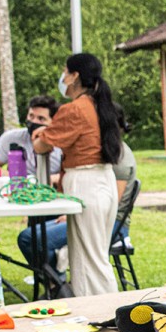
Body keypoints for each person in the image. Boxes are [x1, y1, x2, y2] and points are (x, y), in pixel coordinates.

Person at [33, 52, 125, 297]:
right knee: (92, 259)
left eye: (65, 72)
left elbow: (42, 145)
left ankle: (106, 314)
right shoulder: (100, 104)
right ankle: (98, 314)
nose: (62, 77)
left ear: (74, 76)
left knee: (89, 262)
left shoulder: (74, 109)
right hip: (103, 181)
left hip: (85, 184)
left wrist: (39, 135)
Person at [0, 95, 61, 184]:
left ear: (53, 122)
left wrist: (49, 179)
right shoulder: (12, 138)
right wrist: (10, 176)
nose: (34, 121)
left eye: (41, 118)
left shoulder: (62, 142)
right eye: (31, 116)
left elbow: (69, 173)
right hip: (18, 189)